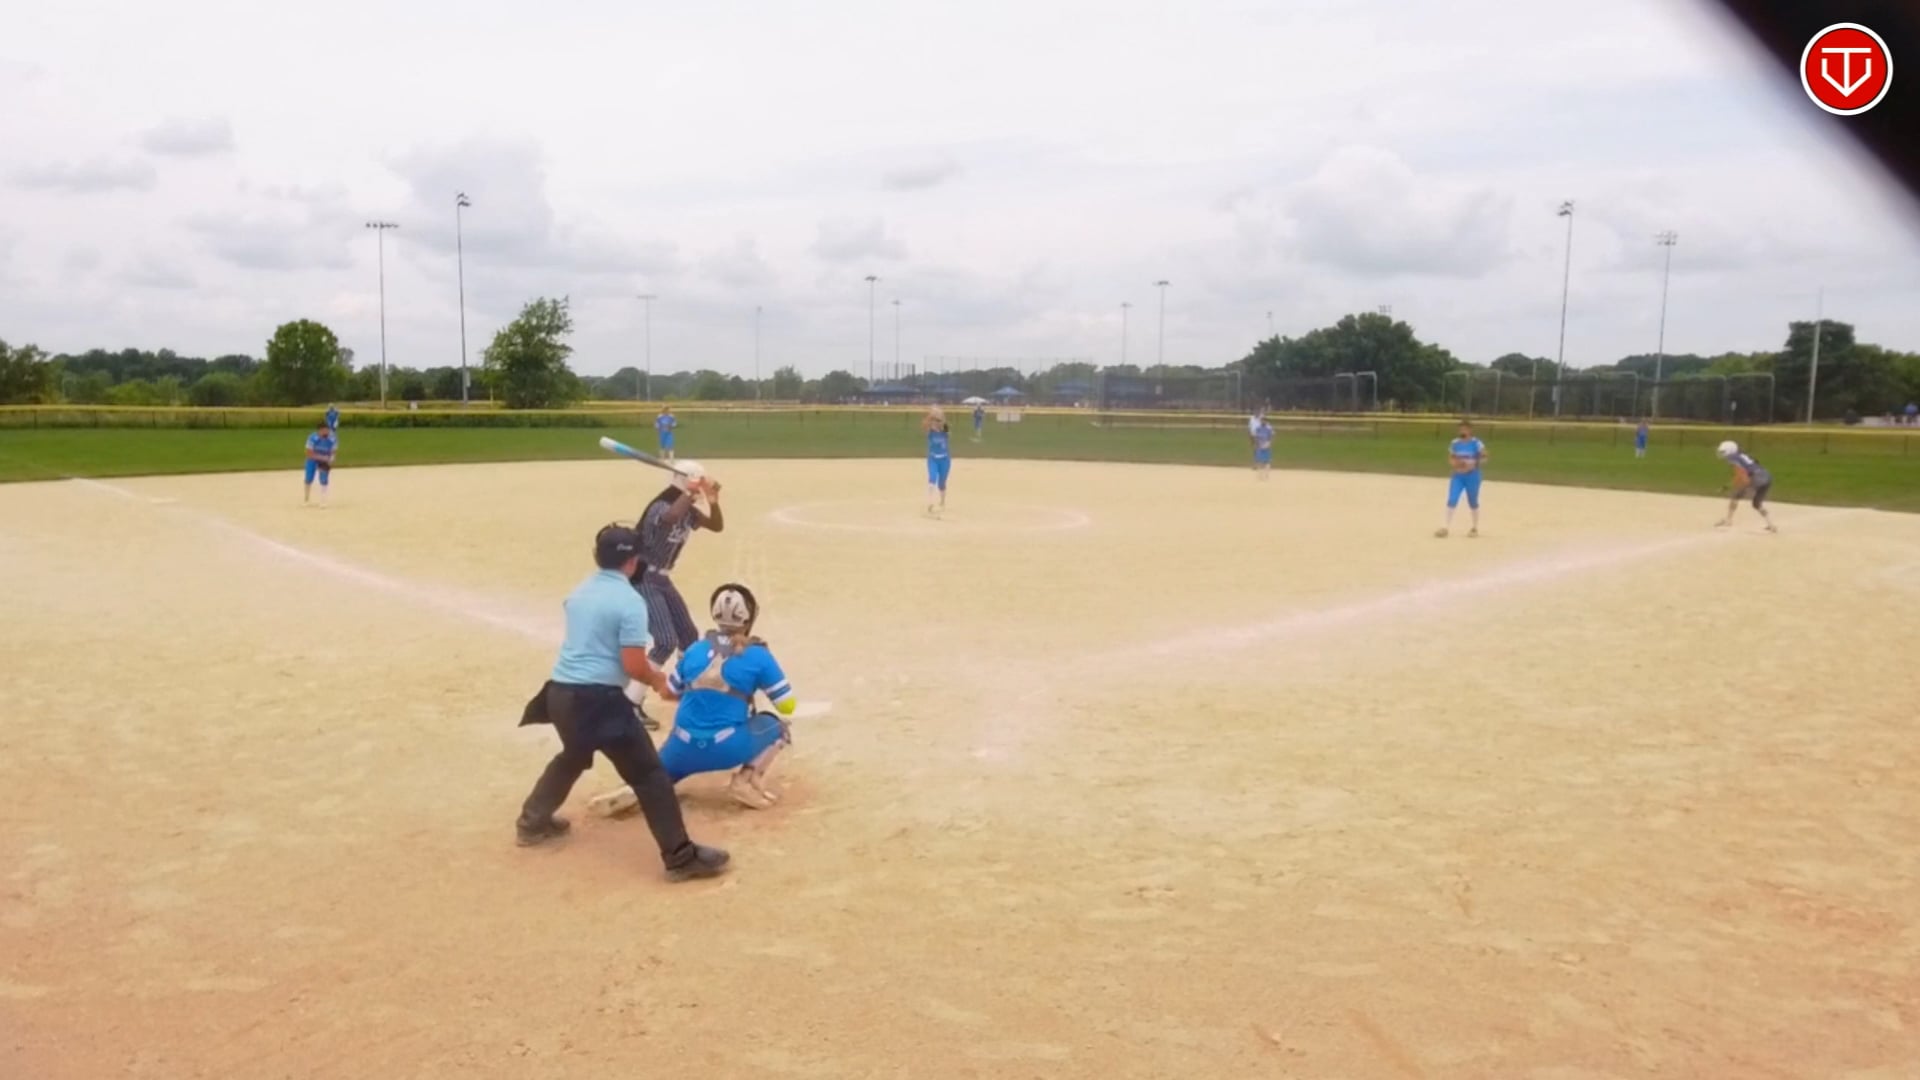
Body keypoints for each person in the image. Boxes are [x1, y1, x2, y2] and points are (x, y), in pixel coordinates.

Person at [514, 523, 729, 880]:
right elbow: (633, 665)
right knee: (649, 775)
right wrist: (660, 683)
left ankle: (532, 822)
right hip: (598, 701)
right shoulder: (630, 601)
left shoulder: (581, 591)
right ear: (633, 561)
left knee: (573, 755)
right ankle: (680, 857)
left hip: (560, 695)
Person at [659, 584, 800, 809]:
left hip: (679, 748)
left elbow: (669, 692)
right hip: (727, 747)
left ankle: (654, 784)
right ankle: (745, 781)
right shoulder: (757, 654)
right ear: (749, 616)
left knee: (663, 772)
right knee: (778, 727)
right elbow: (787, 706)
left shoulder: (695, 649)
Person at [626, 462, 725, 727]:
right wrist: (691, 491)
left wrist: (712, 500)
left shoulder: (687, 510)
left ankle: (686, 691)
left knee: (689, 637)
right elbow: (670, 517)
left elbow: (716, 525)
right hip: (644, 578)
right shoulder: (661, 506)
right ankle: (630, 704)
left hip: (662, 579)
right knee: (665, 641)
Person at [1435, 420, 1487, 538]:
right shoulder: (1455, 443)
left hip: (1472, 475)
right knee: (1452, 498)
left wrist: (1473, 464)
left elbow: (1484, 457)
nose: (1462, 431)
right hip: (1458, 475)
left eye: (1465, 429)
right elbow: (1451, 458)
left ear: (1470, 430)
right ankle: (1445, 527)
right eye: (1461, 429)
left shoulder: (1476, 443)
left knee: (1472, 501)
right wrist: (1456, 464)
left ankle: (1474, 527)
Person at [1715, 440, 1777, 533]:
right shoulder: (1743, 455)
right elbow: (1745, 471)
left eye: (1723, 451)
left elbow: (1741, 474)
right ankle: (1771, 524)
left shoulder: (1733, 458)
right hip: (1767, 476)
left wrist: (1742, 484)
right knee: (1756, 503)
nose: (1722, 454)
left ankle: (1728, 520)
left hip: (1756, 477)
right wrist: (1729, 485)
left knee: (1735, 496)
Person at [924, 406, 952, 516]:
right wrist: (931, 414)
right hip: (933, 459)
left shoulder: (945, 430)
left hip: (944, 460)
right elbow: (926, 424)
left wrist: (940, 415)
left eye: (937, 421)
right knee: (932, 478)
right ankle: (930, 502)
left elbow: (946, 426)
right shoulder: (930, 431)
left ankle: (942, 501)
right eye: (934, 421)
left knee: (941, 483)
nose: (936, 423)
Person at [303, 422, 336, 506]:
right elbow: (309, 454)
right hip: (312, 459)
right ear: (319, 431)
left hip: (324, 460)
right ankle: (306, 499)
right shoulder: (312, 438)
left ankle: (323, 500)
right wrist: (323, 458)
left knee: (324, 479)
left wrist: (331, 459)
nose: (327, 432)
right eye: (324, 431)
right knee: (308, 478)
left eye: (327, 430)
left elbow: (333, 451)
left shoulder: (332, 438)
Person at [1251, 414, 1274, 480]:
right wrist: (1256, 444)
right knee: (1259, 461)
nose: (1263, 421)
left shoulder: (1269, 428)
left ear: (1266, 421)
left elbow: (1271, 436)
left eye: (1264, 420)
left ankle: (1266, 475)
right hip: (1259, 446)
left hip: (1266, 445)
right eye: (1262, 420)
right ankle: (1260, 475)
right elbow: (1256, 437)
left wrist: (1269, 443)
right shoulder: (1258, 428)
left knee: (1267, 461)